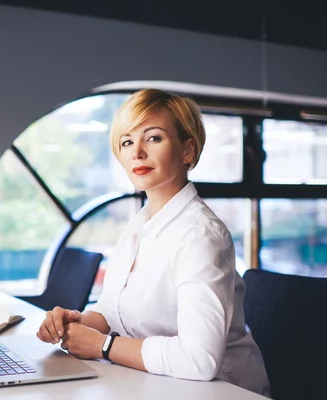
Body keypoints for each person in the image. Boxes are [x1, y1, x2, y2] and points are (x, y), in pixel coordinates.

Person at [36, 89, 271, 397]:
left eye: (154, 138)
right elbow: (111, 313)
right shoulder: (139, 226)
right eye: (127, 141)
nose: (137, 152)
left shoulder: (201, 235)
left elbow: (200, 360)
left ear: (188, 151)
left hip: (224, 391)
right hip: (157, 385)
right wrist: (75, 320)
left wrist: (102, 346)